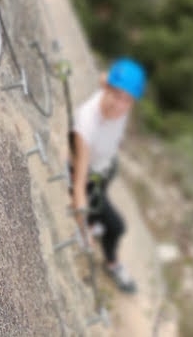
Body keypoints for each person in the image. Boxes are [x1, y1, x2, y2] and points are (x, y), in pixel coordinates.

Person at [69, 57, 147, 295]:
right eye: (116, 95)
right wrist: (81, 226)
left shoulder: (115, 93)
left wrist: (110, 81)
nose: (119, 106)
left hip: (105, 166)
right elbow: (80, 182)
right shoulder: (86, 125)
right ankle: (112, 262)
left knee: (107, 182)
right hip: (90, 175)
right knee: (117, 226)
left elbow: (105, 77)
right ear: (107, 90)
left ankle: (94, 222)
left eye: (127, 100)